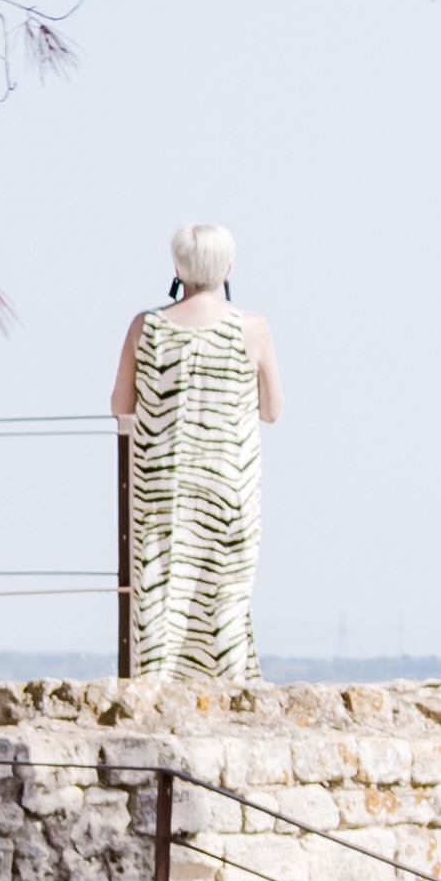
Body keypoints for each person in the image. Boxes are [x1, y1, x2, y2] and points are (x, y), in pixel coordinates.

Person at [113, 224, 279, 690]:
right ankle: (229, 690)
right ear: (227, 268)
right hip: (229, 486)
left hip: (162, 486)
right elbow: (273, 409)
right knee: (225, 593)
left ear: (177, 267)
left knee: (162, 590)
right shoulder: (252, 328)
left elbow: (119, 406)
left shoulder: (146, 326)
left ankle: (154, 689)